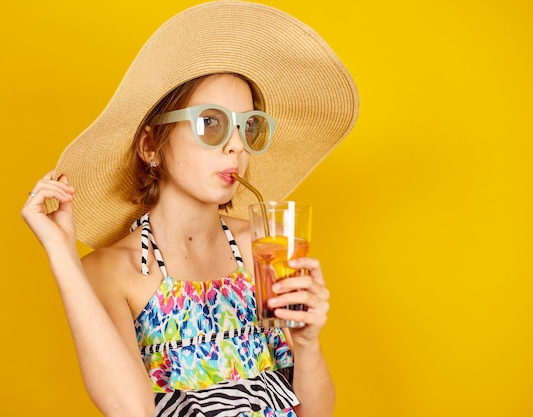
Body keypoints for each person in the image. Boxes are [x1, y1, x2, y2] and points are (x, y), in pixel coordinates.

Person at [21, 1, 359, 416]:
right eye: (211, 123)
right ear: (150, 145)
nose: (235, 145)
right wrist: (61, 252)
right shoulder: (109, 272)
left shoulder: (265, 248)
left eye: (248, 126)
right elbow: (132, 411)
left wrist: (307, 344)